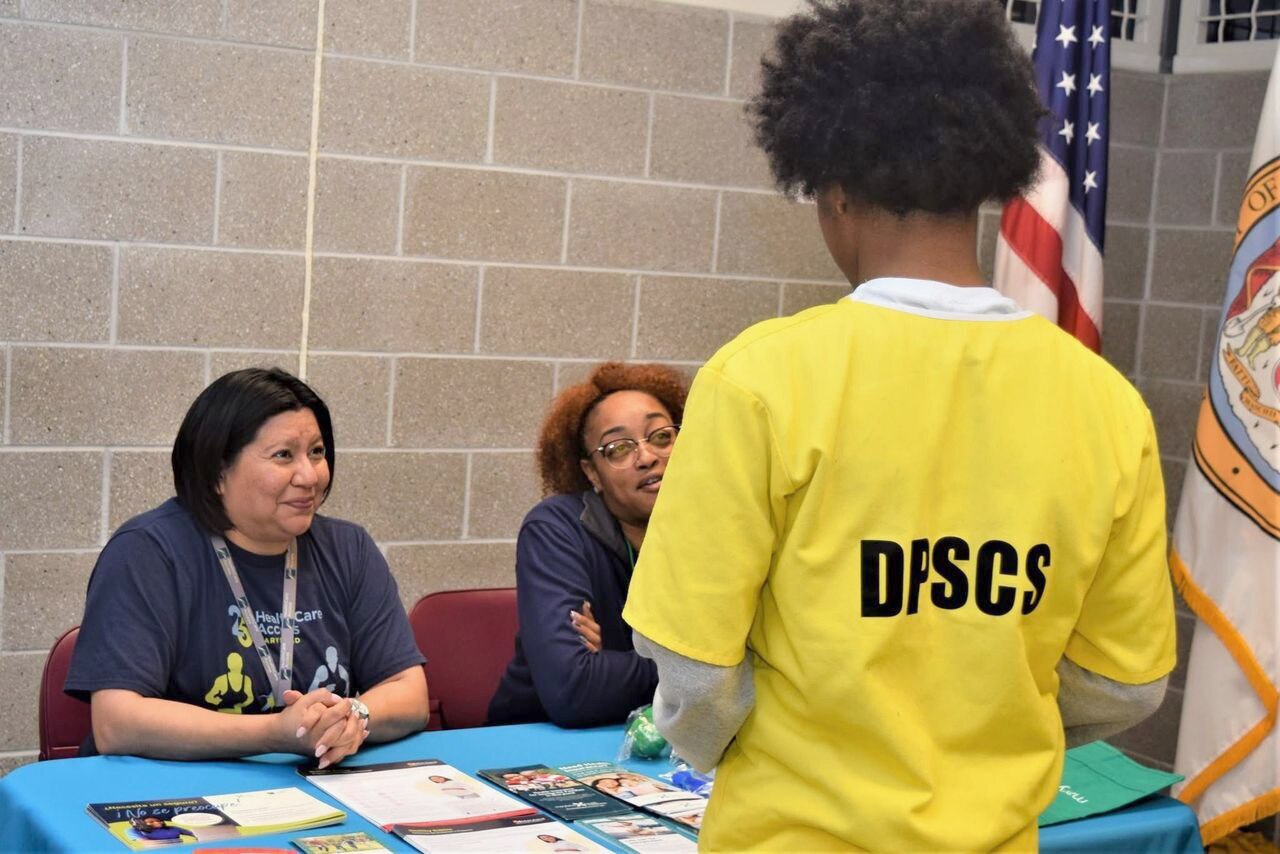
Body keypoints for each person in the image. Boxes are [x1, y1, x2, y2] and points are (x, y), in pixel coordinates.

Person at [621, 1, 1177, 850]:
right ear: (983, 175)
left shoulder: (761, 379)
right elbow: (1125, 683)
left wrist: (779, 746)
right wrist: (980, 733)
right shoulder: (1107, 404)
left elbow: (695, 674)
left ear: (832, 185)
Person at [66, 368, 430, 768]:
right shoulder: (148, 552)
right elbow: (117, 722)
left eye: (317, 452)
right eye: (283, 455)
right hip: (177, 795)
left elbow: (409, 693)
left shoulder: (349, 548)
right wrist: (275, 733)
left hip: (315, 785)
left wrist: (354, 718)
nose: (309, 476)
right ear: (218, 472)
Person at [486, 362, 688, 728]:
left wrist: (613, 660)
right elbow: (573, 689)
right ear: (592, 472)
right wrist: (696, 667)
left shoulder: (713, 529)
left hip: (664, 742)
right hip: (535, 748)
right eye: (618, 448)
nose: (646, 457)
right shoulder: (556, 527)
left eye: (660, 436)